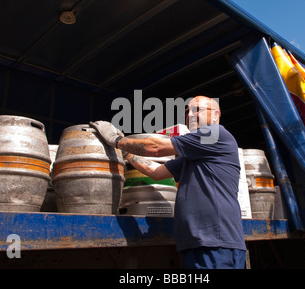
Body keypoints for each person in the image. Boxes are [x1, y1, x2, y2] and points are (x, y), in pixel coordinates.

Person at [90, 96, 246, 269]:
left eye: (197, 110)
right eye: (187, 111)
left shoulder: (216, 135)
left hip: (216, 242)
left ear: (216, 115)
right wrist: (126, 153)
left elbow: (156, 148)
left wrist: (116, 140)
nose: (190, 114)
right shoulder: (193, 155)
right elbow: (157, 172)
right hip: (196, 243)